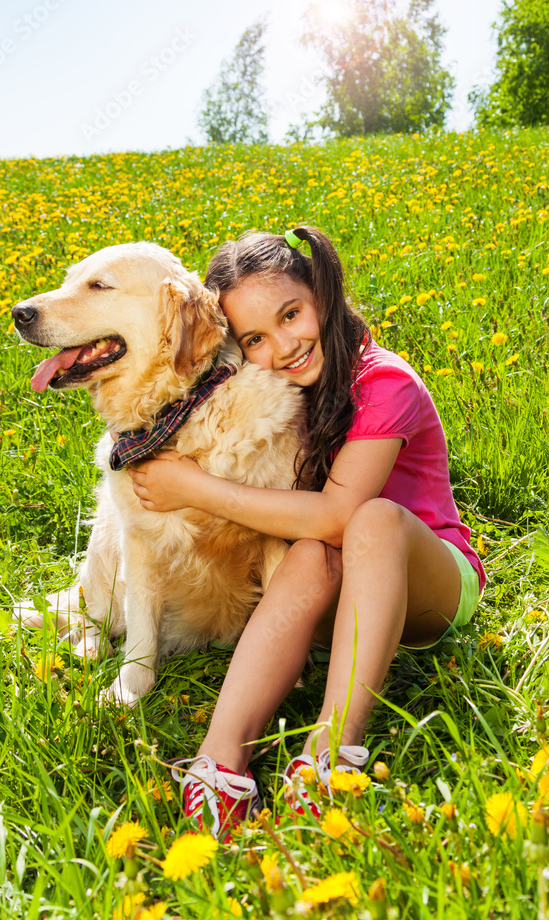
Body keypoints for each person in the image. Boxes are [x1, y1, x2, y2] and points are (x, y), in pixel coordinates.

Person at [125, 225, 486, 838]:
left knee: (364, 520)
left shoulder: (383, 382)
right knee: (312, 555)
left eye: (292, 314)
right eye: (256, 339)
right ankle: (218, 762)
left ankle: (328, 755)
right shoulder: (282, 391)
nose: (284, 345)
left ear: (321, 292)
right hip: (338, 588)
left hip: (431, 586)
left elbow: (339, 515)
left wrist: (192, 487)